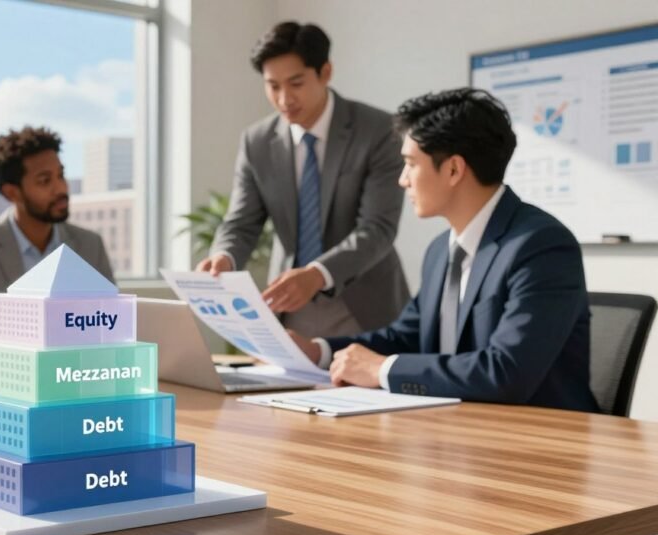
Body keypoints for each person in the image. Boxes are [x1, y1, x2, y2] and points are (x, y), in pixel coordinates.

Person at [289, 88, 599, 412]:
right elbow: (405, 338)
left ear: (453, 170)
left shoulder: (541, 246)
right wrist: (318, 351)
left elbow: (507, 372)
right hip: (458, 433)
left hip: (541, 445)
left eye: (410, 164)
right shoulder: (440, 250)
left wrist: (381, 370)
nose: (402, 180)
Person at [198, 21, 409, 338]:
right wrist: (223, 257)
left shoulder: (378, 130)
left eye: (296, 83)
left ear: (325, 72)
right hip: (289, 306)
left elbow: (378, 228)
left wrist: (317, 274)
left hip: (365, 303)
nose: (284, 99)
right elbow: (242, 222)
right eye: (273, 86)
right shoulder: (256, 142)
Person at [0, 126, 113, 338]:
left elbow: (113, 324)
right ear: (12, 193)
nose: (60, 189)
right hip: (7, 369)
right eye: (44, 180)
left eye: (61, 175)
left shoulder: (89, 245)